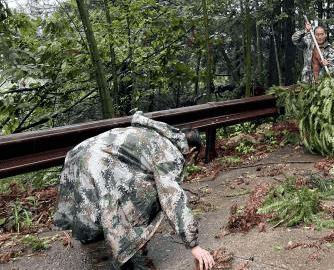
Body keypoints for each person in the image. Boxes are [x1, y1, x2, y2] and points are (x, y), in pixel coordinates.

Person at [53, 111, 215, 270]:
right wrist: (194, 245)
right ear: (191, 150)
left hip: (78, 153)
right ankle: (125, 252)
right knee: (140, 196)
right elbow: (173, 198)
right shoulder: (170, 153)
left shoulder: (155, 134)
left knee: (89, 201)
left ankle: (89, 237)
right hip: (100, 162)